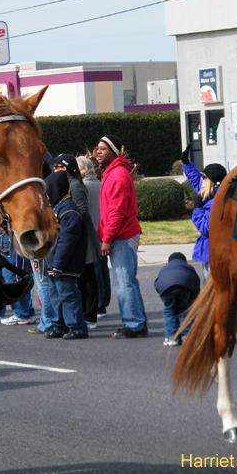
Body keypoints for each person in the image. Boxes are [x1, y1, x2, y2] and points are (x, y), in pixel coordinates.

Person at [96, 135, 148, 339]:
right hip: (122, 235)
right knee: (127, 282)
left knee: (124, 282)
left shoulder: (118, 175)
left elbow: (117, 212)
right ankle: (136, 322)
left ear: (114, 152)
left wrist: (107, 238)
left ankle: (135, 324)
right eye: (97, 148)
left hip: (122, 236)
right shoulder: (112, 172)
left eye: (103, 148)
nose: (98, 151)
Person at [42, 171, 89, 340]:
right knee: (55, 296)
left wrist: (58, 265)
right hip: (52, 262)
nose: (45, 195)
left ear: (55, 190)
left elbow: (67, 242)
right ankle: (58, 325)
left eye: (47, 191)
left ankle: (77, 327)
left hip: (65, 264)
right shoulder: (55, 207)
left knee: (68, 295)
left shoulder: (69, 211)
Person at [180, 144, 227, 279]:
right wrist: (186, 163)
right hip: (210, 252)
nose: (202, 179)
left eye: (204, 177)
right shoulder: (210, 193)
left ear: (214, 182)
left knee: (213, 293)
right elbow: (196, 180)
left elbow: (206, 228)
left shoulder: (216, 203)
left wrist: (197, 208)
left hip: (215, 255)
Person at [78, 155, 111, 320]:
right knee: (103, 269)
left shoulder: (83, 187)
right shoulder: (101, 184)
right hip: (103, 231)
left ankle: (97, 306)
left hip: (91, 234)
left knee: (94, 272)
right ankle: (104, 303)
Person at [154, 252, 201, 346]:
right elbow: (196, 282)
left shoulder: (165, 268)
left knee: (169, 311)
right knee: (184, 310)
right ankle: (186, 335)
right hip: (185, 287)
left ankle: (172, 338)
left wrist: (163, 297)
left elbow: (157, 283)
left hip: (166, 289)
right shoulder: (188, 267)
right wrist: (193, 300)